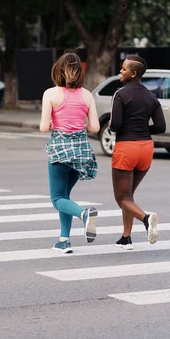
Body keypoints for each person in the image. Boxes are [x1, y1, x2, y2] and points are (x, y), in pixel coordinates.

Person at [39, 51, 100, 254]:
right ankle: (64, 240)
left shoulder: (50, 94)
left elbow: (43, 128)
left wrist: (50, 123)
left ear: (58, 71)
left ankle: (84, 215)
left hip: (59, 152)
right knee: (65, 196)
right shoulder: (87, 95)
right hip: (81, 152)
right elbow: (95, 127)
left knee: (57, 199)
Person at [110, 55, 166, 250]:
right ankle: (126, 237)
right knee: (129, 196)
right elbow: (160, 126)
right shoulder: (151, 96)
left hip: (127, 148)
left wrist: (114, 125)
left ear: (133, 73)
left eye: (123, 69)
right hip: (146, 149)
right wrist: (142, 129)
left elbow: (115, 125)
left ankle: (146, 218)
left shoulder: (120, 94)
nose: (120, 72)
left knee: (121, 197)